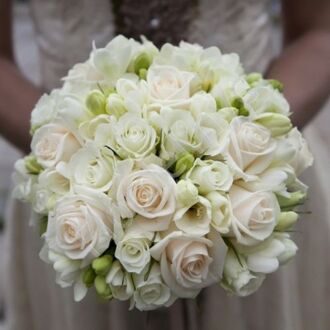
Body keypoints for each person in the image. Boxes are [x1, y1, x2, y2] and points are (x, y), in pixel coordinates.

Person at [0, 0, 329, 329]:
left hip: (253, 187)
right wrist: (74, 155)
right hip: (75, 199)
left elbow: (320, 33)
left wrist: (239, 150)